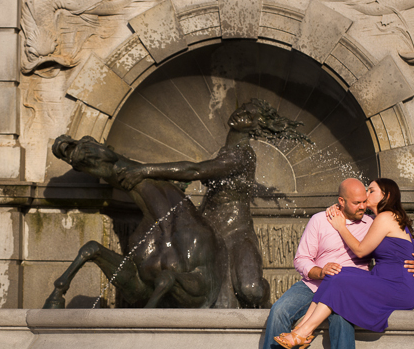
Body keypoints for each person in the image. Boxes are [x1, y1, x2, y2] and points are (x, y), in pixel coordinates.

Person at [117, 98, 311, 308]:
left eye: (248, 116)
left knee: (250, 289)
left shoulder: (241, 156)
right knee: (215, 301)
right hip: (208, 230)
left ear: (254, 127)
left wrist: (145, 170)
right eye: (242, 110)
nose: (241, 114)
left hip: (236, 232)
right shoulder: (226, 152)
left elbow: (195, 170)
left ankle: (268, 313)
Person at [239, 178, 414, 349]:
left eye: (366, 199)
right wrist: (319, 271)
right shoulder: (320, 220)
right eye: (357, 202)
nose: (362, 206)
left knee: (341, 314)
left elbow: (396, 245)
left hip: (351, 284)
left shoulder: (372, 223)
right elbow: (301, 259)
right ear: (341, 201)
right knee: (279, 310)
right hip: (314, 283)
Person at [274, 178, 414, 349]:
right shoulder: (379, 219)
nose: (366, 194)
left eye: (371, 191)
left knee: (339, 278)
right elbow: (409, 249)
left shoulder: (385, 217)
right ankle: (300, 330)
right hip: (383, 280)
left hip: (395, 287)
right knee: (336, 272)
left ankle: (303, 332)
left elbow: (360, 251)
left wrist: (341, 226)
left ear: (386, 195)